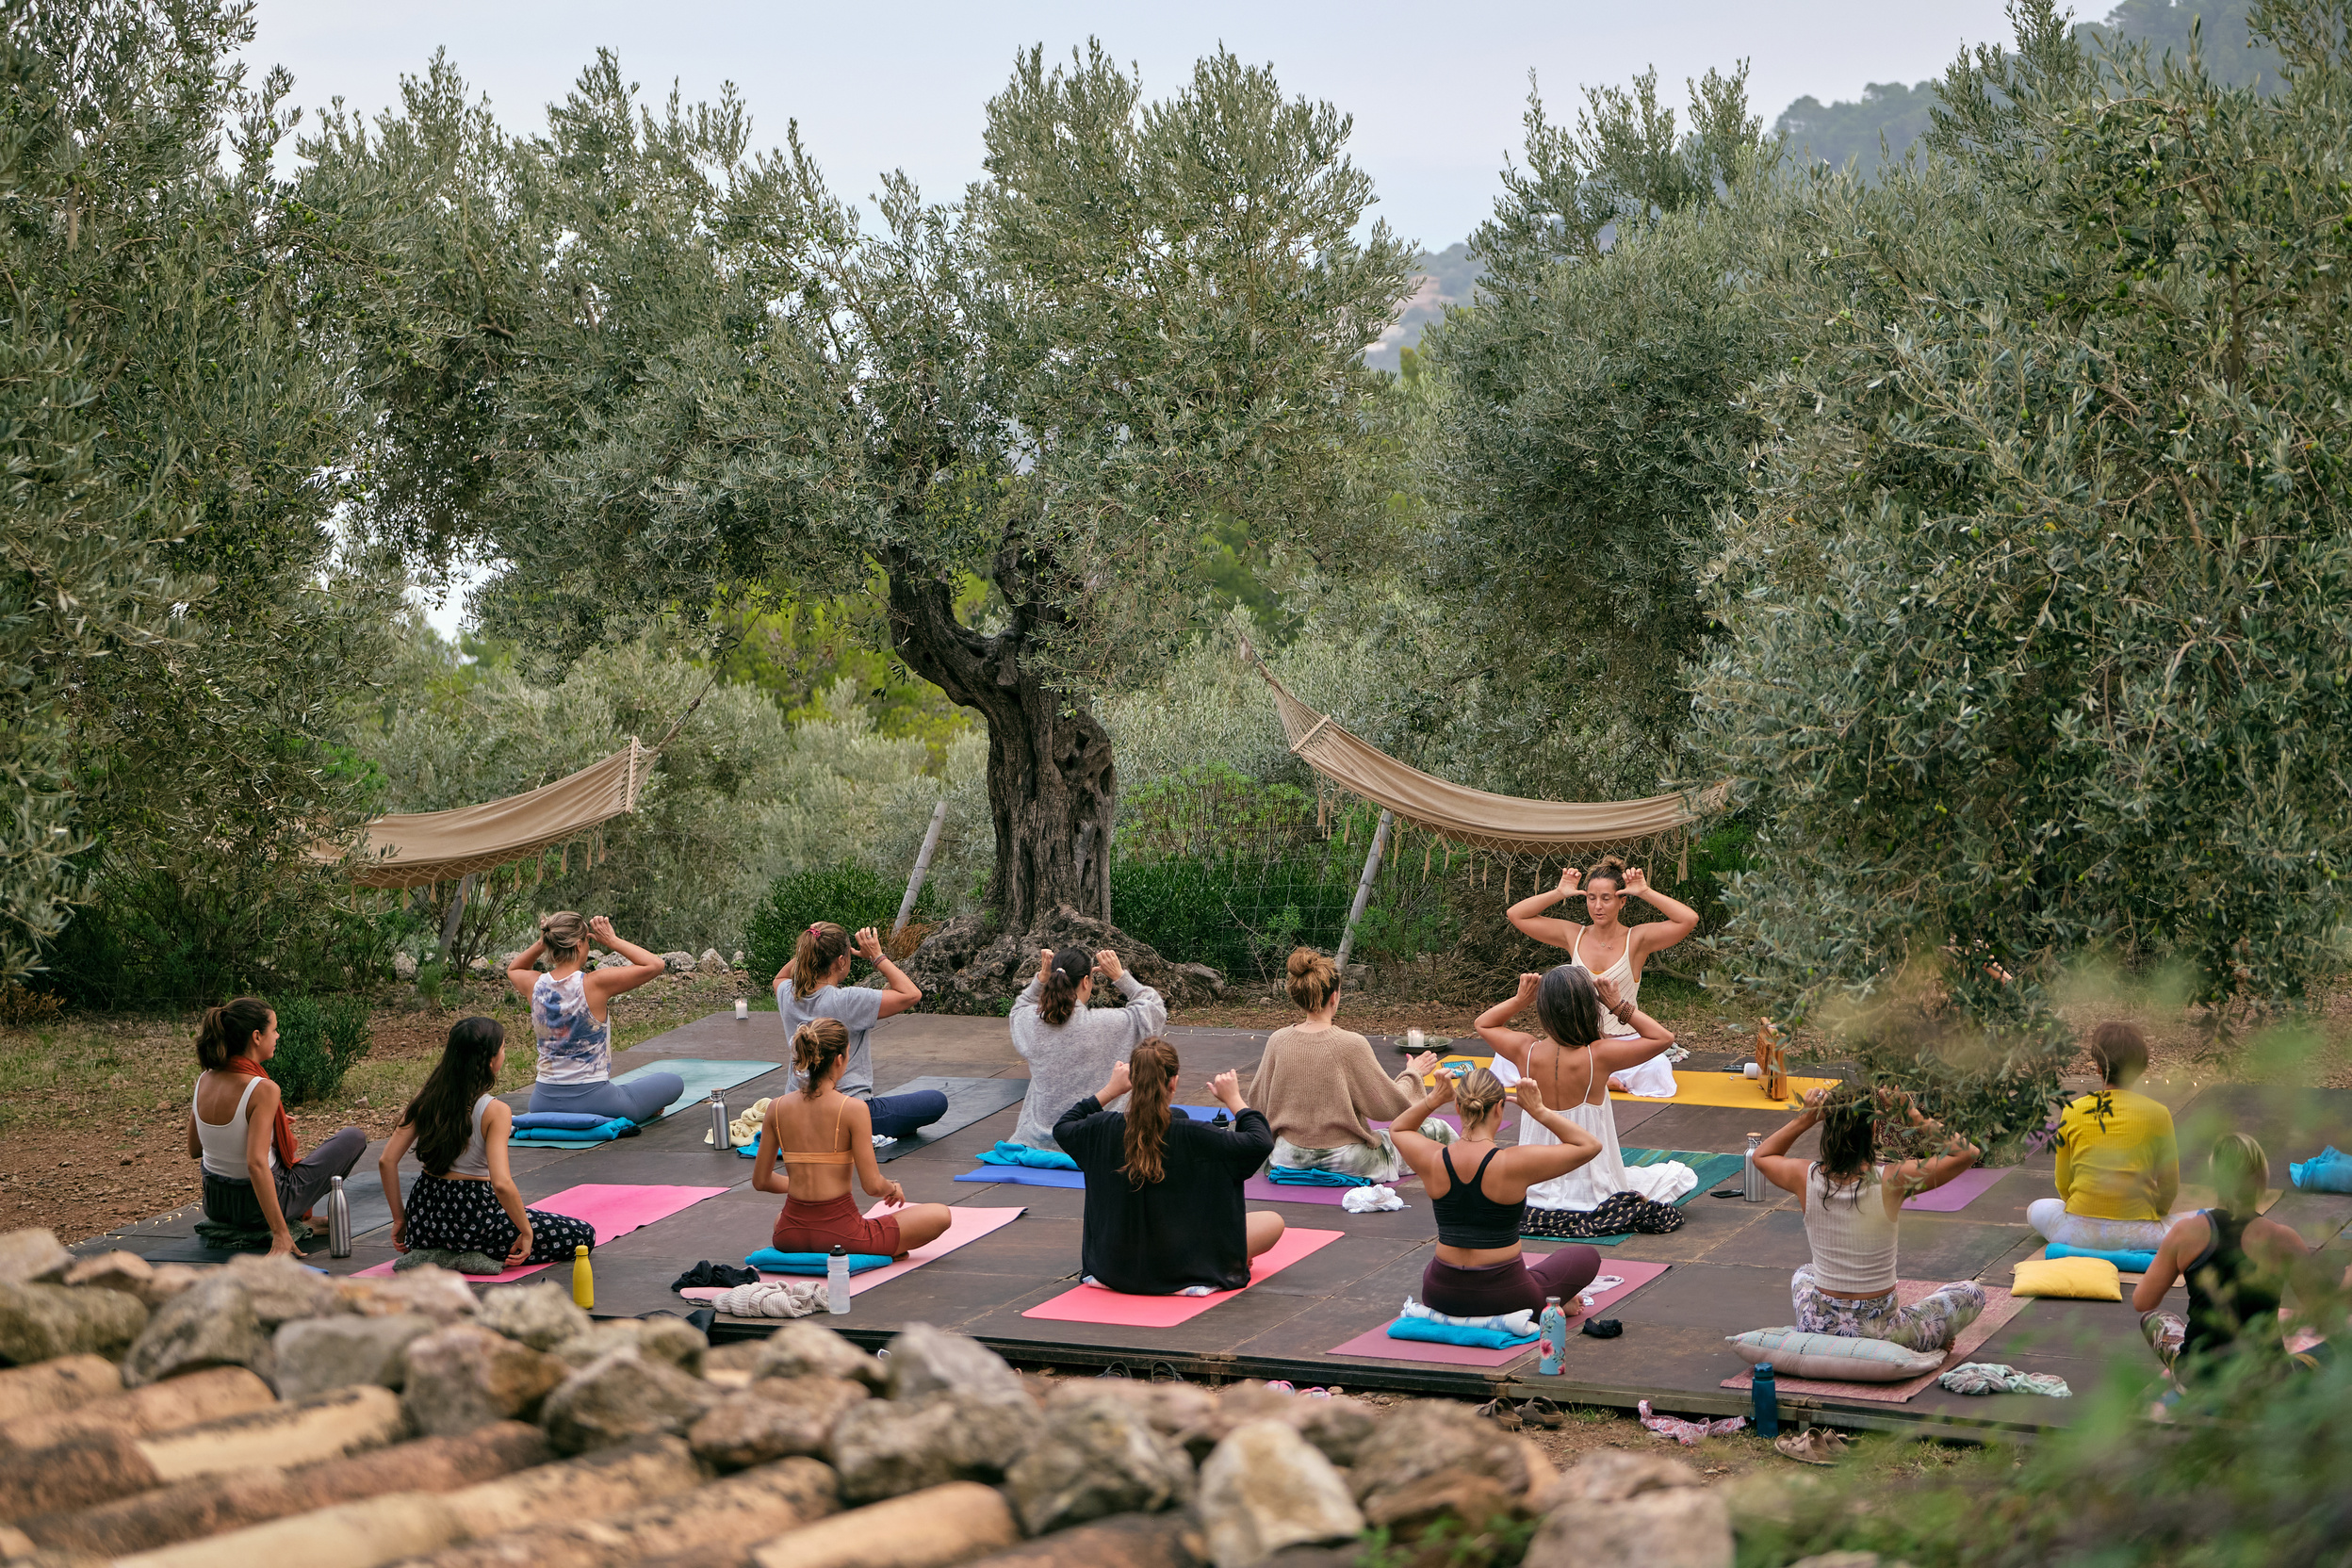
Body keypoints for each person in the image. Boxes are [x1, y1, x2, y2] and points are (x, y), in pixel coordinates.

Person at [1752, 1085, 1985, 1350]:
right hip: (1885, 1335)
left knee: (1804, 1272)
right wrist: (1912, 1116)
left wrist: (1805, 1118)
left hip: (1817, 1326)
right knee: (1972, 1292)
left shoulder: (1803, 1176)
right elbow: (1968, 1153)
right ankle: (1930, 1338)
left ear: (1827, 1128)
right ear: (1873, 1130)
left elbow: (1761, 1155)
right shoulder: (1893, 1180)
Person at [1054, 1037, 1283, 1295]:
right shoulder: (1198, 1136)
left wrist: (1110, 1090)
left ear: (1132, 1083)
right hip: (1183, 1266)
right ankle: (1224, 1255)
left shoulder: (1102, 1129)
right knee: (1272, 1222)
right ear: (1173, 1081)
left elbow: (1063, 1127)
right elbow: (1260, 1141)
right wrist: (1234, 1100)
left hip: (1115, 1267)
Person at [1474, 966, 1695, 1223]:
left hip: (1535, 1184)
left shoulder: (1525, 1050)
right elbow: (1663, 1038)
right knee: (1681, 1175)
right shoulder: (1598, 1055)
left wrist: (1520, 999)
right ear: (1590, 1008)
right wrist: (1617, 1005)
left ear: (1542, 1008)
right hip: (1594, 1189)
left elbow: (1483, 1023)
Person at [379, 1017, 596, 1268]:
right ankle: (472, 1256)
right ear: (490, 1060)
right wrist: (526, 1232)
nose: (505, 1054)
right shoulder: (494, 1111)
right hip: (476, 1218)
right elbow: (501, 1184)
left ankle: (437, 1253)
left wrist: (400, 1219)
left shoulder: (426, 1097)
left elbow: (386, 1161)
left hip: (426, 1218)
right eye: (503, 1048)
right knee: (582, 1234)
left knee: (514, 1224)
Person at [1390, 1067, 1606, 1316]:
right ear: (1499, 1108)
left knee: (1531, 1274)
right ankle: (1553, 1302)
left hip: (1440, 1294)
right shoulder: (1512, 1163)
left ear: (1458, 1108)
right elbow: (1589, 1145)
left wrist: (1433, 1099)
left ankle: (1550, 1298)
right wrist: (1539, 1110)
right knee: (1585, 1256)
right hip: (1507, 1298)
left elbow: (1399, 1129)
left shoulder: (1434, 1159)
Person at [753, 1019, 954, 1258]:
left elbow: (761, 1181)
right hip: (844, 1236)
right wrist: (893, 1187)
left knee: (780, 1219)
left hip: (789, 1235)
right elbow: (872, 1185)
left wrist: (803, 1185)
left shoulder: (776, 1107)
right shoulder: (853, 1109)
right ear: (839, 1060)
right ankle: (883, 1249)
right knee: (941, 1214)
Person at [2132, 1133, 2321, 1386]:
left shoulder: (2186, 1233)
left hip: (2199, 1379)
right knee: (2328, 1351)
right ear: (2261, 1180)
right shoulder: (2283, 1239)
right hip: (2266, 1381)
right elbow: (2322, 1312)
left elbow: (2143, 1301)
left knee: (2155, 1320)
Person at [1245, 948, 1446, 1182]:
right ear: (1334, 996)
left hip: (1287, 1157)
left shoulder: (1277, 1041)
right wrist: (1414, 1074)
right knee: (1437, 1130)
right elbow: (1387, 1107)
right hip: (1346, 1160)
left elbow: (1257, 1103)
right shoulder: (1350, 1043)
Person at [1506, 856, 1699, 1098]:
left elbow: (1689, 919)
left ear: (1622, 901)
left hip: (1624, 1043)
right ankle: (1601, 1077)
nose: (1597, 906)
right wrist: (1559, 892)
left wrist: (1645, 891)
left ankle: (1596, 1076)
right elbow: (1516, 915)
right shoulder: (1573, 935)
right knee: (1506, 1060)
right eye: (1591, 898)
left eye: (1606, 898)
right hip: (1581, 1044)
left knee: (1657, 1069)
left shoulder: (1637, 939)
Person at [187, 997, 366, 1257]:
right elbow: (256, 1164)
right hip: (256, 1208)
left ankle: (297, 1220)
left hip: (216, 1205)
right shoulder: (263, 1089)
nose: (278, 1036)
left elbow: (195, 1148)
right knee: (353, 1137)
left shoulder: (204, 1079)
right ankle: (293, 1222)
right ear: (257, 1036)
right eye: (274, 1029)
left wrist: (265, 1127)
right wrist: (281, 1233)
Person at [773, 922, 944, 1141]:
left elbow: (779, 978)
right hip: (848, 1114)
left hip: (797, 1112)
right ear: (841, 961)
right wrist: (877, 956)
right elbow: (911, 994)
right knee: (936, 1101)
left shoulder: (788, 994)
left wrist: (810, 947)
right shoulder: (846, 1001)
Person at [509, 913, 681, 1120]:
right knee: (672, 1081)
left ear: (550, 943)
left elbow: (514, 968)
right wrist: (612, 941)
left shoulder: (534, 984)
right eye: (588, 941)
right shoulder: (595, 983)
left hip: (542, 1102)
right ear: (580, 945)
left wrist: (541, 942)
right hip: (598, 1102)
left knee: (633, 1089)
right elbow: (655, 964)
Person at [2029, 1021, 2180, 1252]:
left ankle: (2080, 1238)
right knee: (2201, 1222)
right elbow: (2169, 1187)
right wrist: (2155, 1216)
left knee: (2037, 1208)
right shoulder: (2159, 1114)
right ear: (2141, 1067)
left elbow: (2063, 1183)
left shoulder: (2072, 1109)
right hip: (2139, 1233)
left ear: (2098, 1067)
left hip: (2078, 1233)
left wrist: (2086, 1216)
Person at [1005, 946, 1168, 1152]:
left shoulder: (1030, 1022)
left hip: (1038, 1142)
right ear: (1085, 981)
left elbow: (1020, 1007)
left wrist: (1041, 978)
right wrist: (1120, 976)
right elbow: (1155, 1011)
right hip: (1098, 1140)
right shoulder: (1109, 1023)